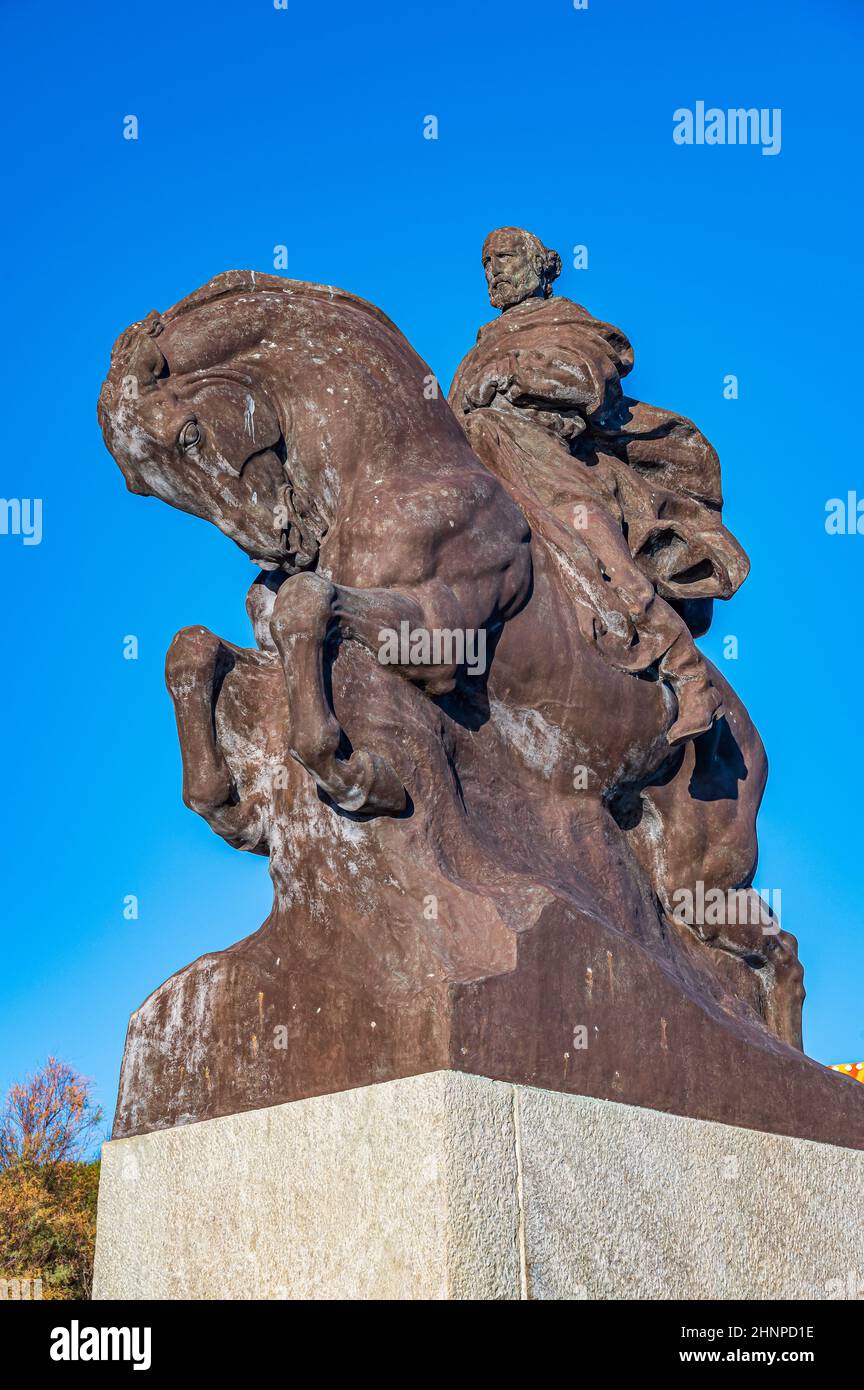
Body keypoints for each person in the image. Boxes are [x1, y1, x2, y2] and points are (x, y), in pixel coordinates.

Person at [449, 227, 749, 745]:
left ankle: (679, 660)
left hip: (558, 463)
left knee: (573, 512)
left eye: (504, 257)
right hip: (486, 464)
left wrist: (513, 373)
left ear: (542, 266)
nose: (493, 269)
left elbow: (591, 381)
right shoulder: (478, 347)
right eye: (486, 261)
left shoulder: (566, 322)